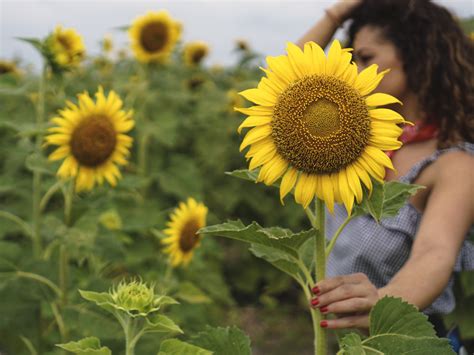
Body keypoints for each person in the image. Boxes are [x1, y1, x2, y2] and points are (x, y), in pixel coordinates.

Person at [297, 0, 474, 340]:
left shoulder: (454, 162)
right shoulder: (353, 141)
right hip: (344, 341)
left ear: (417, 56)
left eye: (365, 58)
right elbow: (290, 80)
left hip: (406, 342)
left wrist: (382, 302)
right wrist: (340, 13)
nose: (354, 73)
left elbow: (434, 253)